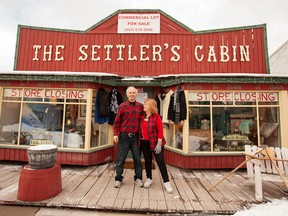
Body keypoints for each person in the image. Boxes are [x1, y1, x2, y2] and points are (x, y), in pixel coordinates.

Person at [139, 99, 173, 194]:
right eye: (144, 104)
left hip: (155, 142)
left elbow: (160, 131)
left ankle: (166, 182)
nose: (144, 106)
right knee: (147, 161)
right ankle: (149, 178)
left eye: (146, 105)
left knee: (160, 162)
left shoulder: (156, 117)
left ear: (151, 107)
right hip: (144, 143)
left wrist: (159, 143)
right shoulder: (142, 116)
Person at [113, 86, 143, 188]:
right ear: (127, 94)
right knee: (120, 159)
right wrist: (115, 134)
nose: (132, 94)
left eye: (133, 93)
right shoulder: (122, 106)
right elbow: (117, 122)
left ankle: (138, 178)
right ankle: (118, 179)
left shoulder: (140, 106)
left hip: (136, 138)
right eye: (130, 93)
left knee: (137, 159)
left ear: (136, 94)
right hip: (124, 137)